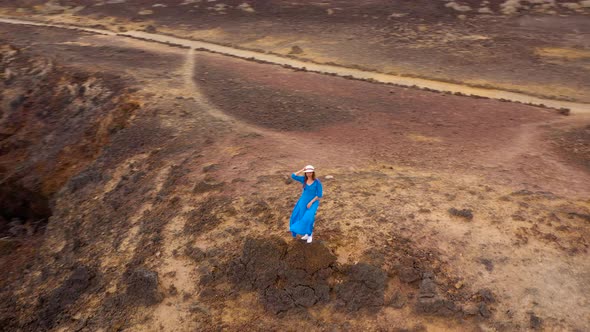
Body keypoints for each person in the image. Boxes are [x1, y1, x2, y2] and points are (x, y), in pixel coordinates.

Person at [289, 165, 323, 243]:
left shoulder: (317, 182)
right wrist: (302, 169)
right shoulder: (304, 180)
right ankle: (307, 234)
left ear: (313, 172)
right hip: (303, 201)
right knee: (301, 217)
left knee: (309, 217)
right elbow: (293, 176)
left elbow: (319, 195)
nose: (308, 174)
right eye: (307, 172)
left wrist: (311, 202)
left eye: (310, 172)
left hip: (313, 202)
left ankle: (310, 234)